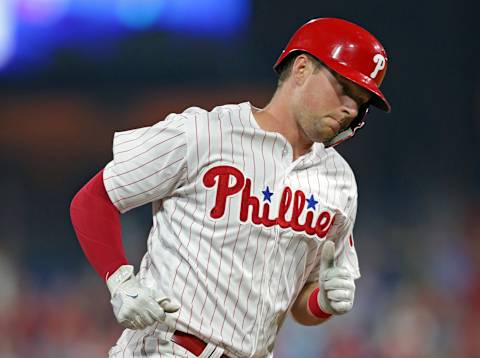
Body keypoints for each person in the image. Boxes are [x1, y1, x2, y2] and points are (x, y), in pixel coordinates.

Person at [70, 17, 391, 358]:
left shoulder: (339, 183)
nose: (350, 108)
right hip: (167, 349)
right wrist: (120, 281)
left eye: (361, 102)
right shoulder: (204, 134)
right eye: (344, 88)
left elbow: (301, 304)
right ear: (300, 69)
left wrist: (322, 301)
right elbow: (94, 200)